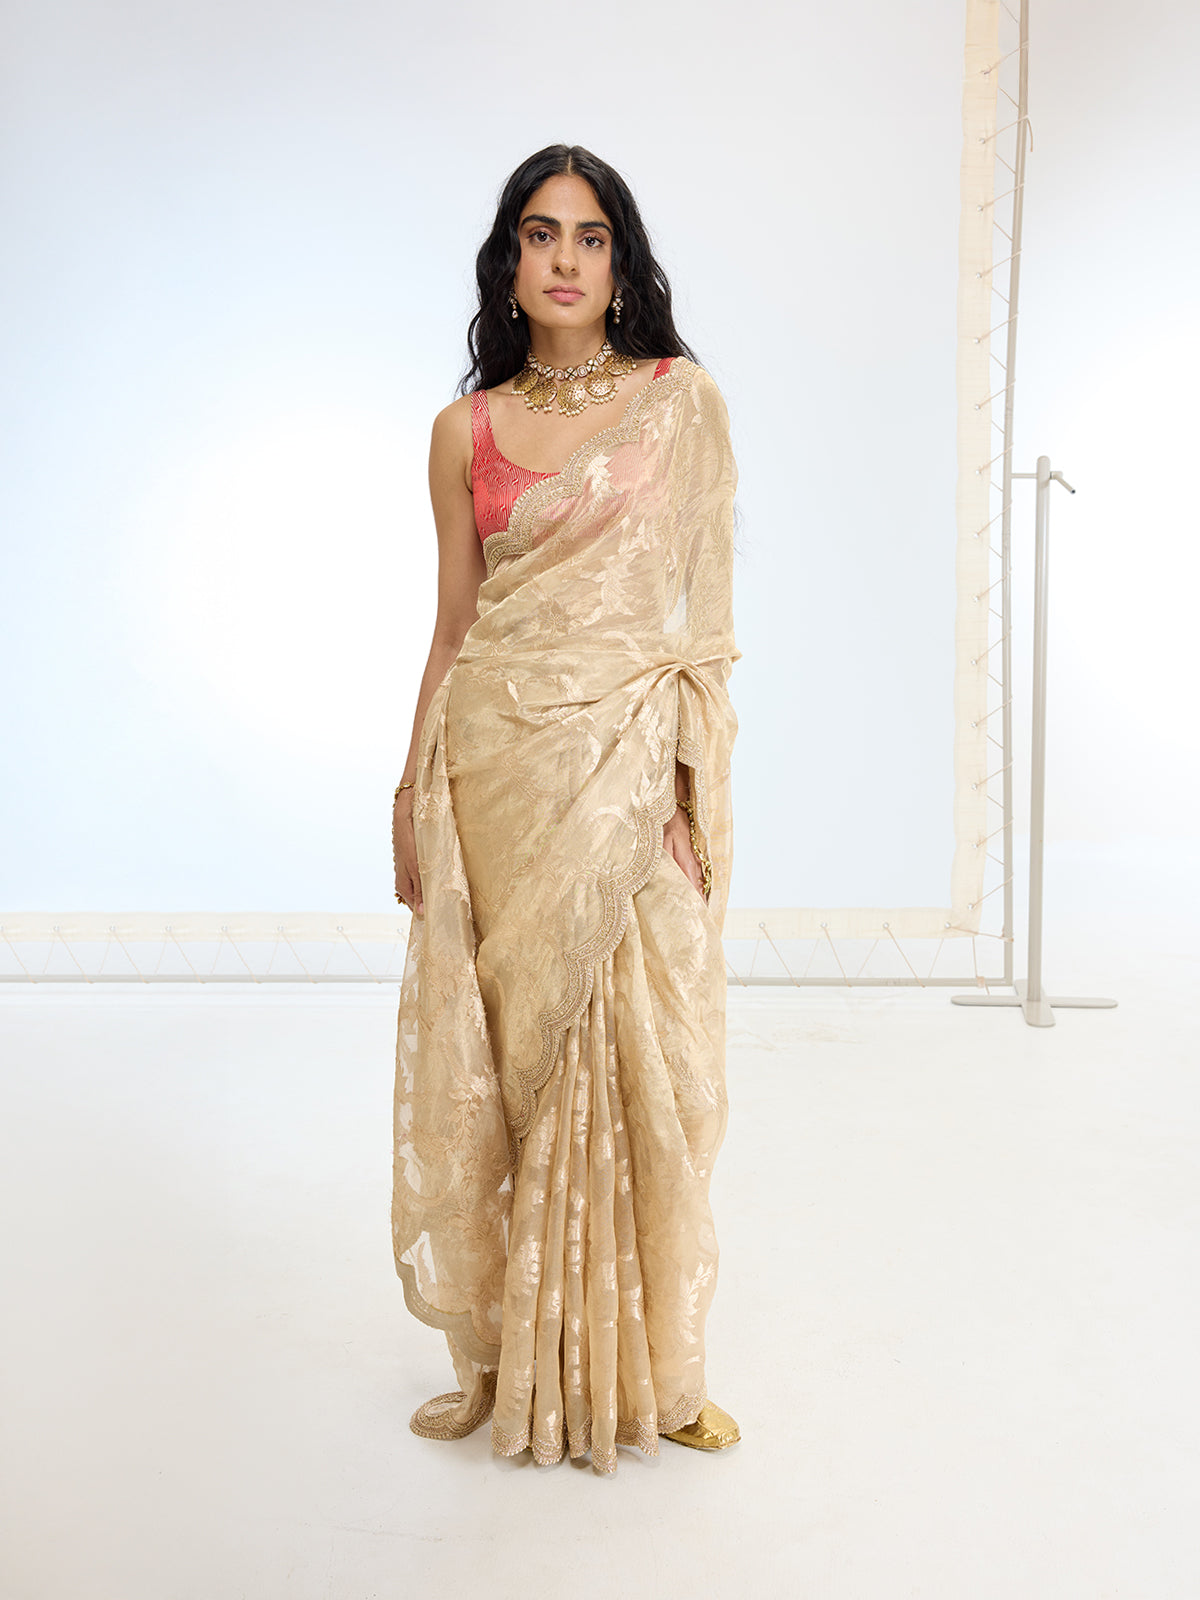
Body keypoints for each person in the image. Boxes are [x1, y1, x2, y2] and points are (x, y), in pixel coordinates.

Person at [390, 143, 741, 1476]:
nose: (565, 259)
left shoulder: (678, 402)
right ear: (509, 260)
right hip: (496, 769)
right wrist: (409, 790)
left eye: (591, 237)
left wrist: (683, 789)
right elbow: (454, 626)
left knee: (657, 1063)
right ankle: (508, 1360)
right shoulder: (464, 431)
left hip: (628, 765)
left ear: (622, 262)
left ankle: (661, 1372)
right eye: (541, 234)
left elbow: (702, 624)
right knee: (503, 1070)